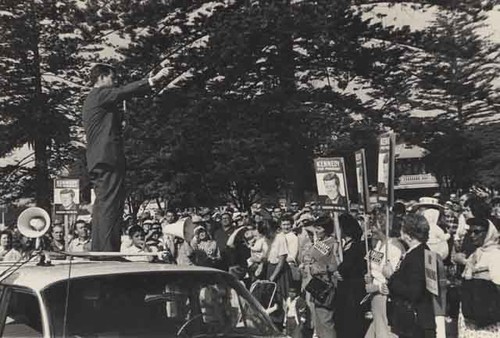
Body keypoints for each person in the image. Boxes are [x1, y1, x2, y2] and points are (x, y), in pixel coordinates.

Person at [82, 63, 172, 252]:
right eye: (112, 78)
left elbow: (123, 96)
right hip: (108, 159)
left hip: (98, 160)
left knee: (102, 206)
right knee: (111, 207)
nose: (115, 83)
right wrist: (152, 81)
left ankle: (100, 249)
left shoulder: (94, 99)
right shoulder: (100, 94)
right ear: (101, 78)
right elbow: (123, 92)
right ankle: (108, 252)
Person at [384, 213, 436, 338]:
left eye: (403, 228)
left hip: (413, 322)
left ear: (409, 234)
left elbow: (414, 292)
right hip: (424, 317)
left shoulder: (415, 257)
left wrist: (391, 277)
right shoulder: (427, 252)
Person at [364, 207, 405, 338]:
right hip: (374, 297)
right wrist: (369, 277)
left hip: (385, 298)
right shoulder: (378, 245)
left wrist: (376, 287)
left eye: (374, 226)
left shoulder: (394, 247)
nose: (371, 230)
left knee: (384, 332)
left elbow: (393, 278)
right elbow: (374, 267)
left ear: (382, 226)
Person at [458, 217, 500, 337]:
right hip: (470, 315)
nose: (472, 235)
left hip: (487, 318)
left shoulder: (495, 255)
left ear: (488, 234)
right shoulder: (475, 254)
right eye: (470, 232)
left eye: (477, 232)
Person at [301, 215, 338, 338]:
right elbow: (311, 257)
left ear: (327, 229)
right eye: (315, 228)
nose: (316, 231)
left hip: (326, 285)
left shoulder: (333, 244)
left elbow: (335, 265)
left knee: (326, 321)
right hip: (315, 284)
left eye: (319, 229)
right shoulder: (319, 243)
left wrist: (320, 269)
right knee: (318, 321)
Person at [335, 214, 368, 338]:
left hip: (352, 291)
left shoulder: (356, 247)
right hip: (345, 289)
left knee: (351, 324)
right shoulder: (346, 245)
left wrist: (336, 257)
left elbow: (344, 268)